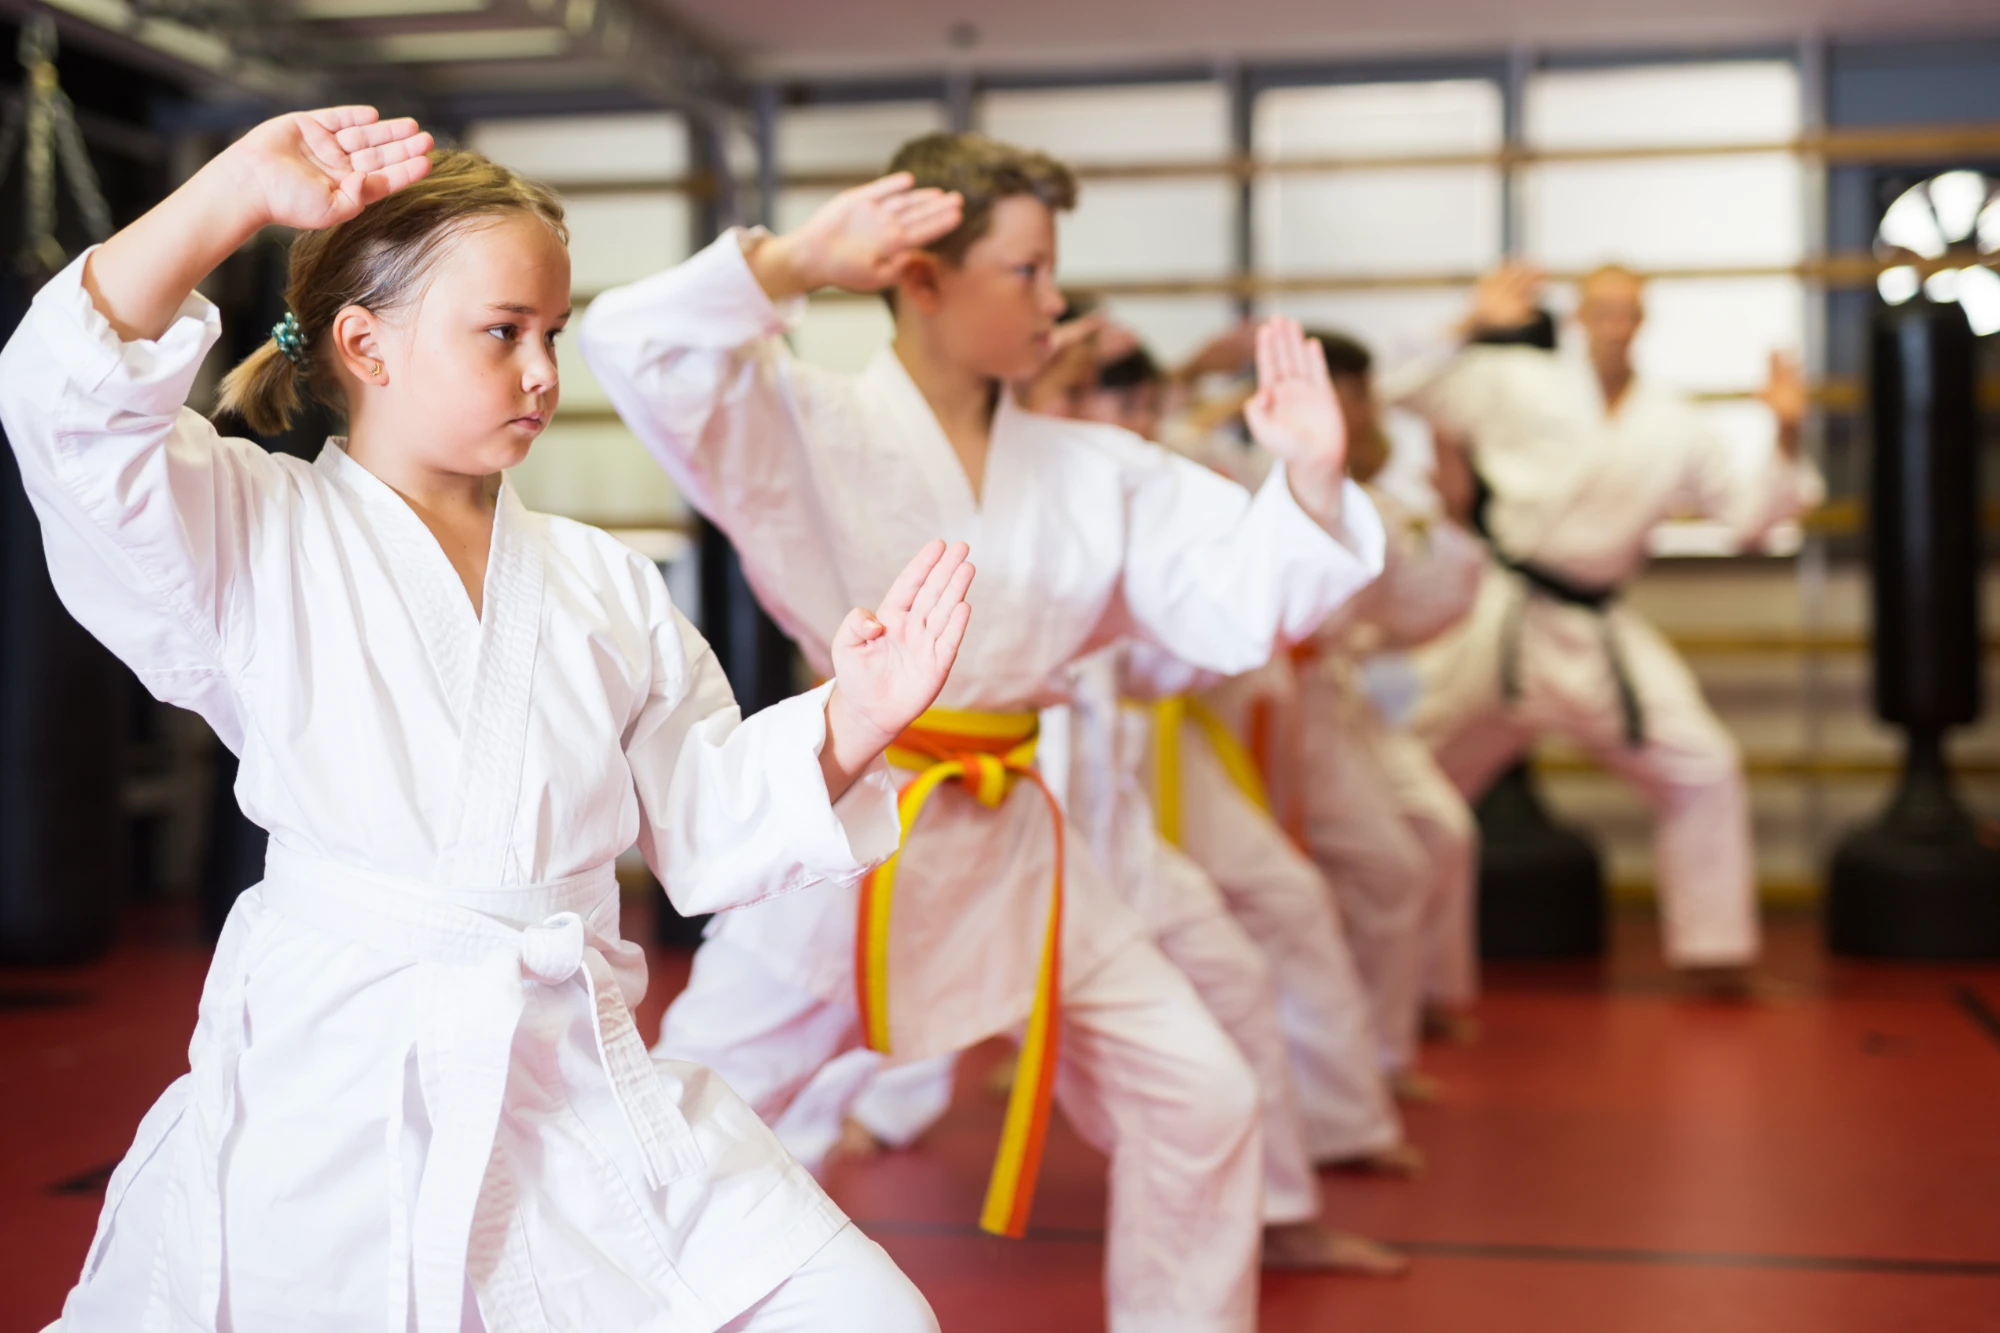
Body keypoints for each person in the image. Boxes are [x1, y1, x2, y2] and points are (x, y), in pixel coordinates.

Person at [5, 109, 973, 1332]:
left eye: (552, 334)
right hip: (344, 1081)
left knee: (862, 1312)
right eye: (502, 334)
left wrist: (854, 717)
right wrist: (228, 196)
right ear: (367, 345)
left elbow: (708, 815)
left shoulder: (602, 580)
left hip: (572, 1070)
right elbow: (67, 405)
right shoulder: (251, 532)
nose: (543, 375)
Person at [581, 131, 1386, 1332]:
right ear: (919, 278)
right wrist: (801, 259)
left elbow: (1233, 597)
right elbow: (633, 342)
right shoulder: (801, 419)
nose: (1052, 301)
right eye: (1025, 270)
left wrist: (1310, 482)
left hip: (1018, 838)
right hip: (855, 829)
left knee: (1201, 1093)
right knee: (692, 1107)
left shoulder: (1092, 467)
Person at [1388, 262, 1819, 984]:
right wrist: (1469, 321)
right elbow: (1400, 386)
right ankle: (1414, 981)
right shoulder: (1516, 380)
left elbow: (1748, 519)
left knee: (1704, 767)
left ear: (1643, 321)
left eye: (1629, 311)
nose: (1615, 323)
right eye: (1603, 309)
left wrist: (1786, 432)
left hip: (1594, 629)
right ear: (1581, 316)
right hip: (1501, 618)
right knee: (1409, 783)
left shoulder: (1674, 422)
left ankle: (1714, 958)